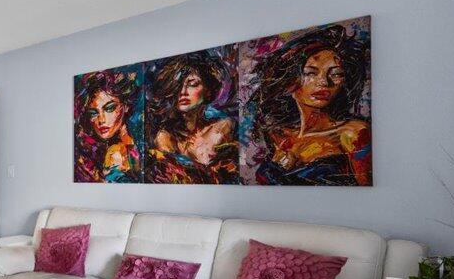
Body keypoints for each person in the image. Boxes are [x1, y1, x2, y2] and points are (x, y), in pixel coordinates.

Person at [253, 24, 371, 186]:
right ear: (289, 81)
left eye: (336, 74)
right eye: (310, 73)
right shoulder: (278, 134)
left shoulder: (353, 134)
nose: (324, 82)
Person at [147, 51, 238, 183]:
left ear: (207, 90)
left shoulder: (223, 127)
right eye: (178, 85)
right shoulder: (166, 136)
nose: (183, 92)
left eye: (192, 84)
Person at [75, 68, 142, 182]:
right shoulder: (86, 155)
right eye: (93, 113)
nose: (101, 120)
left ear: (125, 106)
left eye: (109, 108)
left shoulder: (140, 147)